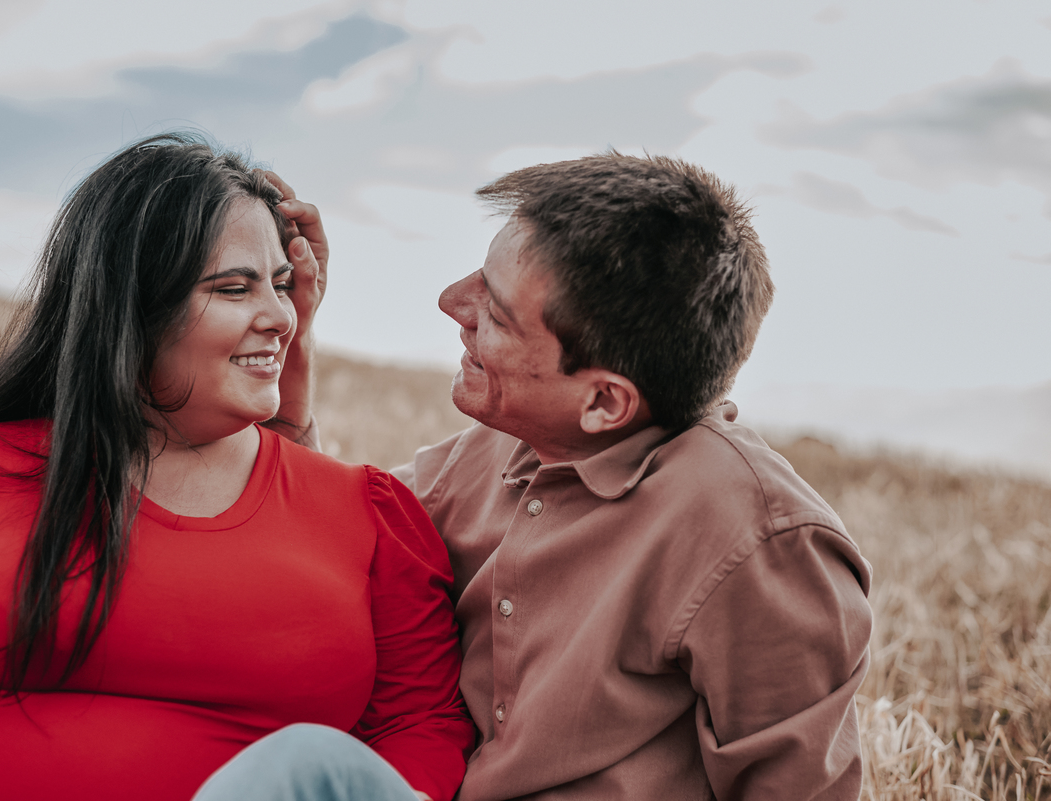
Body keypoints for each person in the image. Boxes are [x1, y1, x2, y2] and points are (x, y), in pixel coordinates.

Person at [0, 133, 474, 801]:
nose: (282, 317)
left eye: (283, 285)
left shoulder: (367, 515)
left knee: (309, 758)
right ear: (131, 307)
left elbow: (419, 728)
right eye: (234, 288)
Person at [276, 153, 874, 799]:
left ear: (604, 402)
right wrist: (288, 344)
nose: (452, 303)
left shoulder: (761, 540)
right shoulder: (501, 446)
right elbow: (323, 537)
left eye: (497, 313)